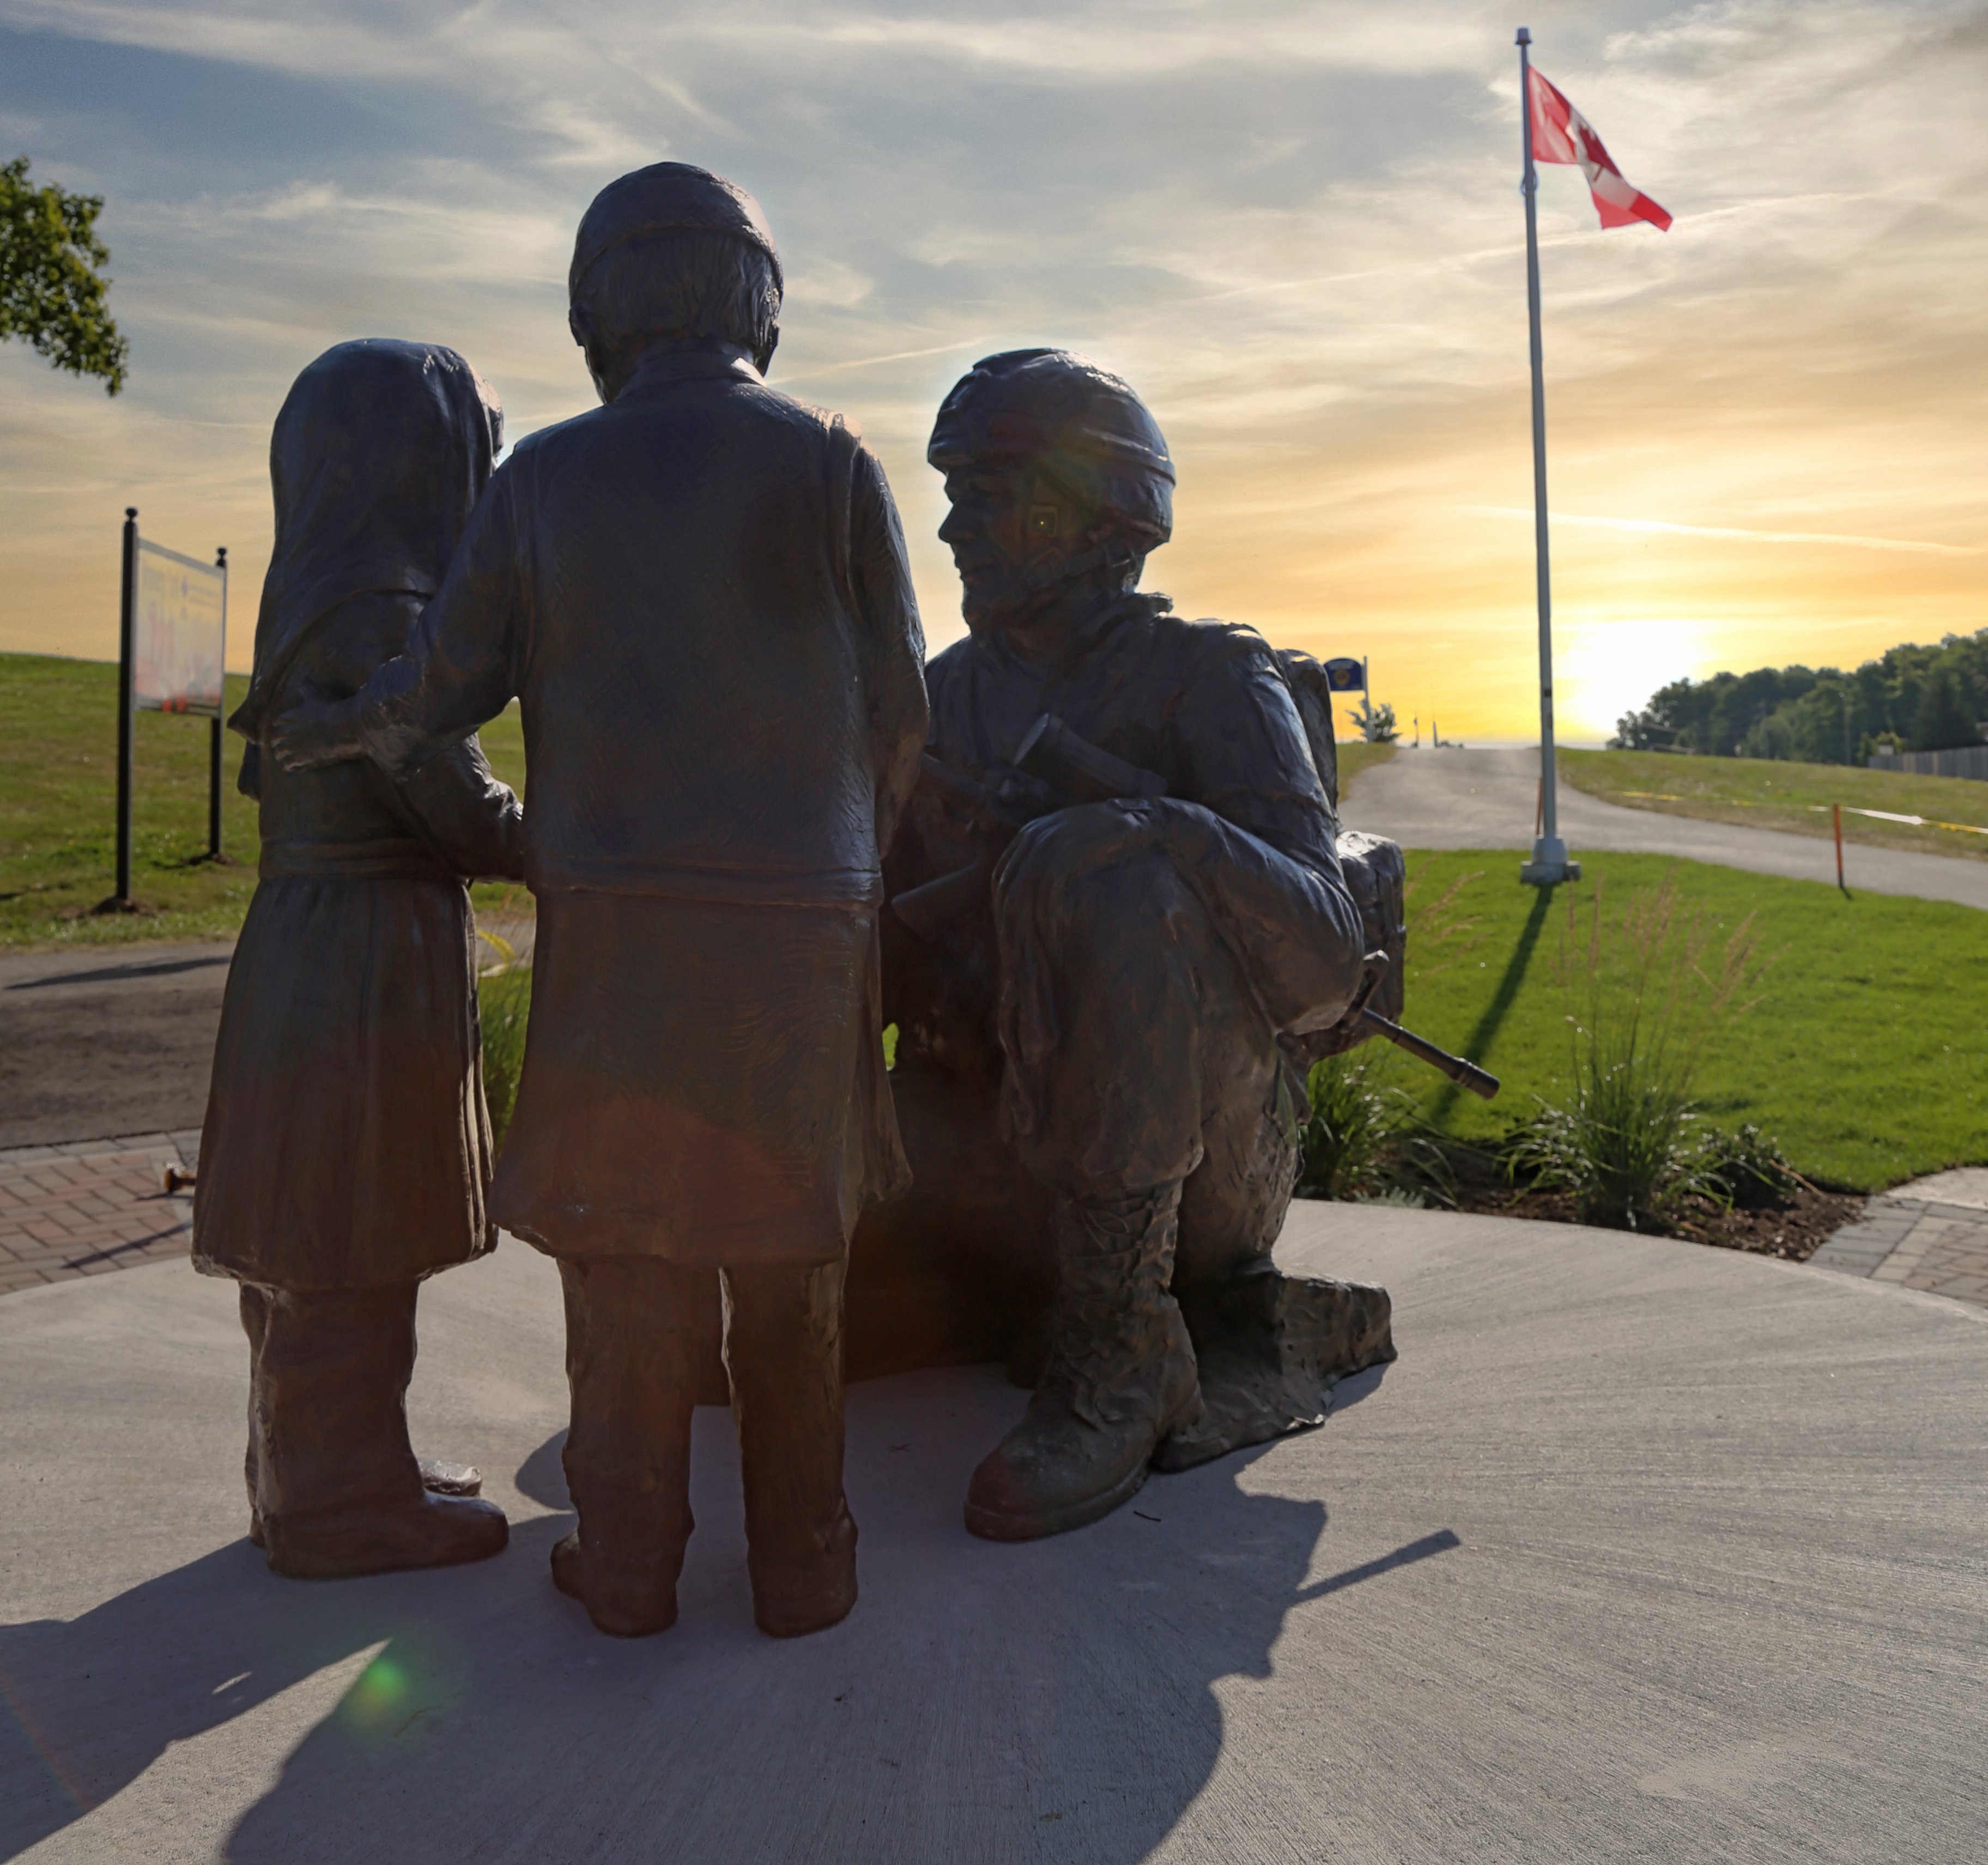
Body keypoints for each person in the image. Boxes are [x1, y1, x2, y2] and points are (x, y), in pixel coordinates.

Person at [273, 164, 928, 1640]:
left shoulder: (544, 478)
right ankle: (805, 1563)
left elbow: (440, 688)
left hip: (620, 932)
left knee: (627, 1254)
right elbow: (900, 710)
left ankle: (628, 1562)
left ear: (597, 313)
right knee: (792, 1263)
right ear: (758, 301)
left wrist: (342, 718)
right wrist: (840, 869)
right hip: (800, 933)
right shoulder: (834, 463)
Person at [872, 348, 1379, 1542]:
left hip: (1194, 1179)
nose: (950, 527)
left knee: (1109, 875)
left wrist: (1158, 828)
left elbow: (1324, 960)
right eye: (949, 490)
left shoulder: (1209, 676)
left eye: (986, 491)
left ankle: (1122, 1348)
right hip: (983, 1139)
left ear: (1096, 514)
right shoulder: (940, 697)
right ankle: (939, 1269)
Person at [195, 338, 522, 1579]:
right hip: (366, 956)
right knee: (353, 1229)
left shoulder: (310, 596)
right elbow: (456, 805)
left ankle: (316, 1469)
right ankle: (342, 1506)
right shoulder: (389, 610)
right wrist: (581, 847)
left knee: (301, 1237)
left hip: (302, 943)